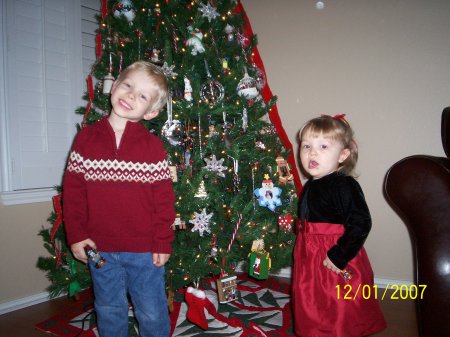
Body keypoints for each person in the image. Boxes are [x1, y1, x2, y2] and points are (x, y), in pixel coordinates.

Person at [63, 61, 176, 337]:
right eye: (127, 86)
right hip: (99, 248)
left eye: (142, 96)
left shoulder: (153, 147)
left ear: (151, 111)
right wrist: (76, 234)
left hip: (145, 251)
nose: (130, 96)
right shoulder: (86, 139)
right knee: (108, 308)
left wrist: (162, 240)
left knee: (151, 308)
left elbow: (164, 200)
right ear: (114, 86)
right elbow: (73, 192)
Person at [292, 114, 386, 337]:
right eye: (306, 146)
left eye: (323, 146)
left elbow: (361, 221)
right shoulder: (310, 185)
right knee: (311, 299)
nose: (312, 153)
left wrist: (339, 255)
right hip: (309, 254)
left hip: (332, 255)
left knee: (337, 303)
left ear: (343, 155)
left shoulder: (344, 185)